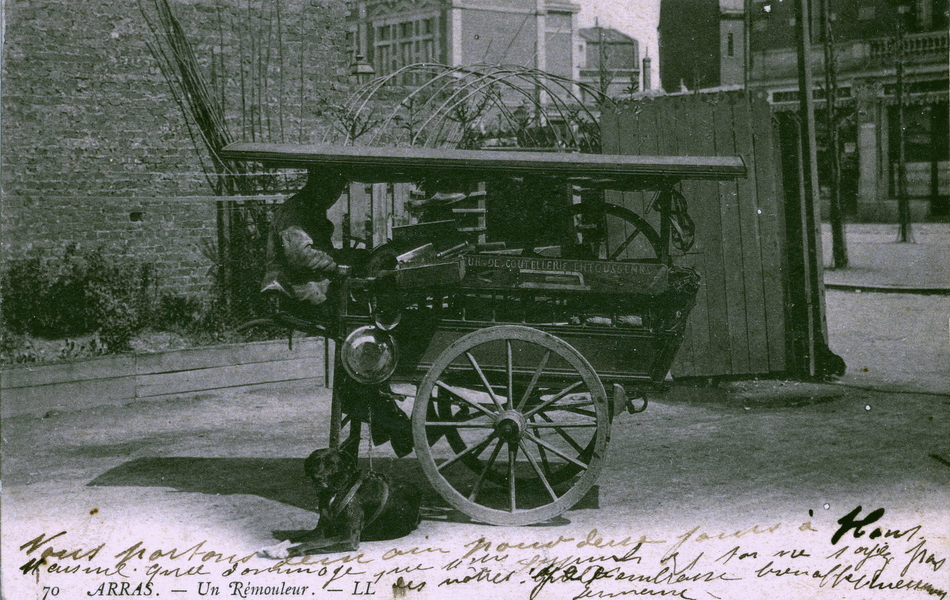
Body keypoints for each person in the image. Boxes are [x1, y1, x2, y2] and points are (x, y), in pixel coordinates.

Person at [262, 169, 413, 457]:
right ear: (320, 185)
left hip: (314, 285)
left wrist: (349, 259)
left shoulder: (309, 208)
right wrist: (337, 267)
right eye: (334, 190)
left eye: (339, 191)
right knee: (369, 326)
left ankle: (372, 400)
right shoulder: (296, 211)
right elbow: (300, 256)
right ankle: (375, 404)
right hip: (300, 290)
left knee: (368, 319)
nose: (335, 197)